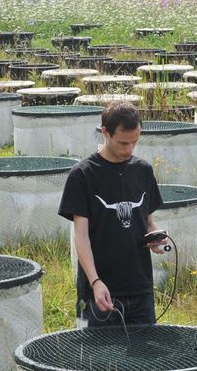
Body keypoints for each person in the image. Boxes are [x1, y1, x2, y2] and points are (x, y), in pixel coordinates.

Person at [58, 100, 166, 328]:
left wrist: (156, 236)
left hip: (140, 287)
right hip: (101, 290)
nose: (129, 150)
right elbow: (81, 236)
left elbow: (148, 221)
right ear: (105, 132)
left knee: (147, 360)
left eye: (135, 142)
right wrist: (95, 282)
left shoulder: (143, 170)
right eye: (123, 143)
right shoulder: (83, 175)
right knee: (99, 360)